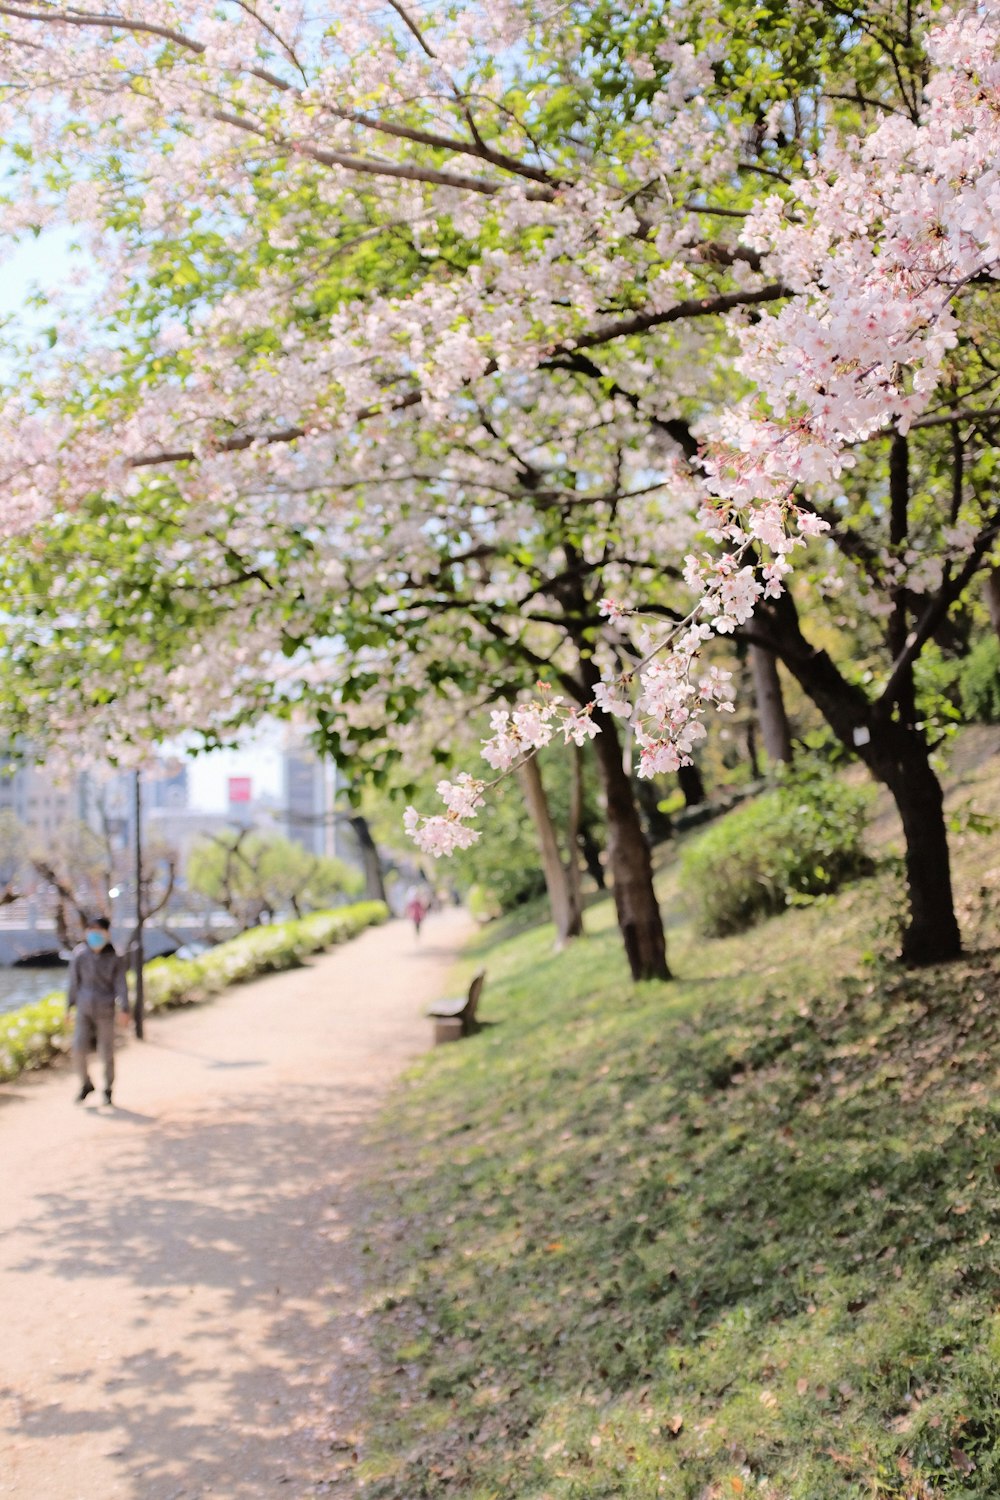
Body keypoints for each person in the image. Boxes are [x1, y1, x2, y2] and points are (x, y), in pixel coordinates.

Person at [67, 915, 130, 1106]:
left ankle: (108, 1088)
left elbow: (121, 984)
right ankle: (86, 1084)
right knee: (78, 1048)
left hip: (106, 1010)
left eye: (98, 930)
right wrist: (68, 1006)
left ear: (107, 933)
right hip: (83, 1009)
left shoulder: (115, 957)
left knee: (107, 1051)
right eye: (91, 930)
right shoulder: (80, 954)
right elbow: (73, 982)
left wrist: (125, 1008)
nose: (94, 934)